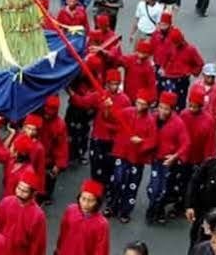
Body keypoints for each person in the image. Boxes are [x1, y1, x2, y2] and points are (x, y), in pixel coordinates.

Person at [68, 68, 131, 185]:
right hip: (98, 137)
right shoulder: (99, 95)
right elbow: (83, 102)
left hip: (113, 140)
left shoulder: (125, 100)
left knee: (109, 166)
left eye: (116, 84)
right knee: (96, 164)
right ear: (107, 84)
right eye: (111, 84)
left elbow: (124, 122)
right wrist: (71, 92)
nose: (114, 87)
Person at [109, 89, 157, 223]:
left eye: (143, 104)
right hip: (122, 153)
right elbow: (114, 117)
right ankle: (112, 206)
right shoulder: (127, 112)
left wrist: (142, 141)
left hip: (137, 158)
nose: (139, 106)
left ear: (148, 105)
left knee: (132, 185)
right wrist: (108, 105)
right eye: (138, 103)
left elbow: (153, 140)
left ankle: (125, 211)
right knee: (117, 180)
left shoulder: (150, 120)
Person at [146, 91, 190, 224]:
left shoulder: (178, 123)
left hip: (168, 161)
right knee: (154, 188)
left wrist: (175, 156)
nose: (162, 111)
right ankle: (153, 210)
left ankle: (157, 211)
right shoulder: (152, 118)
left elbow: (186, 143)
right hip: (155, 159)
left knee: (164, 189)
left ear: (172, 109)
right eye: (161, 107)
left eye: (166, 108)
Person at [0, 171, 47, 255]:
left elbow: (37, 244)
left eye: (24, 191)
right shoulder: (6, 202)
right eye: (18, 188)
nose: (19, 193)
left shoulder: (38, 215)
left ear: (33, 193)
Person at [55, 179, 109, 255]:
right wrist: (58, 250)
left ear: (97, 202)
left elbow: (101, 249)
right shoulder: (70, 210)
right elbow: (63, 233)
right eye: (83, 199)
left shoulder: (102, 224)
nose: (85, 204)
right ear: (79, 197)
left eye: (90, 201)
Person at [156, 28, 204, 110]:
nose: (175, 45)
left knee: (179, 104)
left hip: (181, 80)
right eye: (174, 43)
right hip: (169, 79)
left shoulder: (191, 50)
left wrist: (192, 72)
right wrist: (163, 68)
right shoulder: (170, 46)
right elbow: (164, 59)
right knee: (166, 103)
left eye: (177, 43)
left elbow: (200, 63)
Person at [38, 96, 69, 203]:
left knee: (49, 179)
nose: (48, 113)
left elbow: (62, 146)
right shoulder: (37, 118)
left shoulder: (60, 125)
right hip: (37, 156)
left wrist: (58, 164)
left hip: (49, 159)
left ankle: (46, 196)